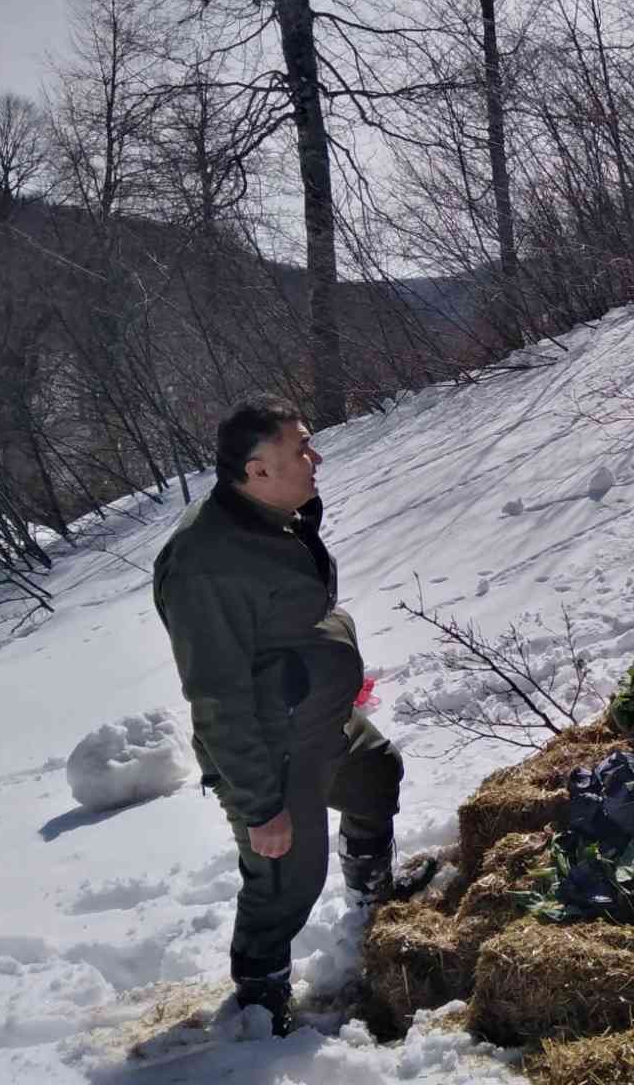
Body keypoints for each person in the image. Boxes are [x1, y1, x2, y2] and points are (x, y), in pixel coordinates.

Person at [153, 396, 426, 1034]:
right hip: (267, 750)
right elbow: (217, 696)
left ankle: (370, 896)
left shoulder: (272, 511)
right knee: (284, 881)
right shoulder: (204, 566)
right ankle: (260, 1003)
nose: (315, 456)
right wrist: (259, 807)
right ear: (257, 470)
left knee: (375, 772)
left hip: (314, 718)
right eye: (300, 448)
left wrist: (327, 671)